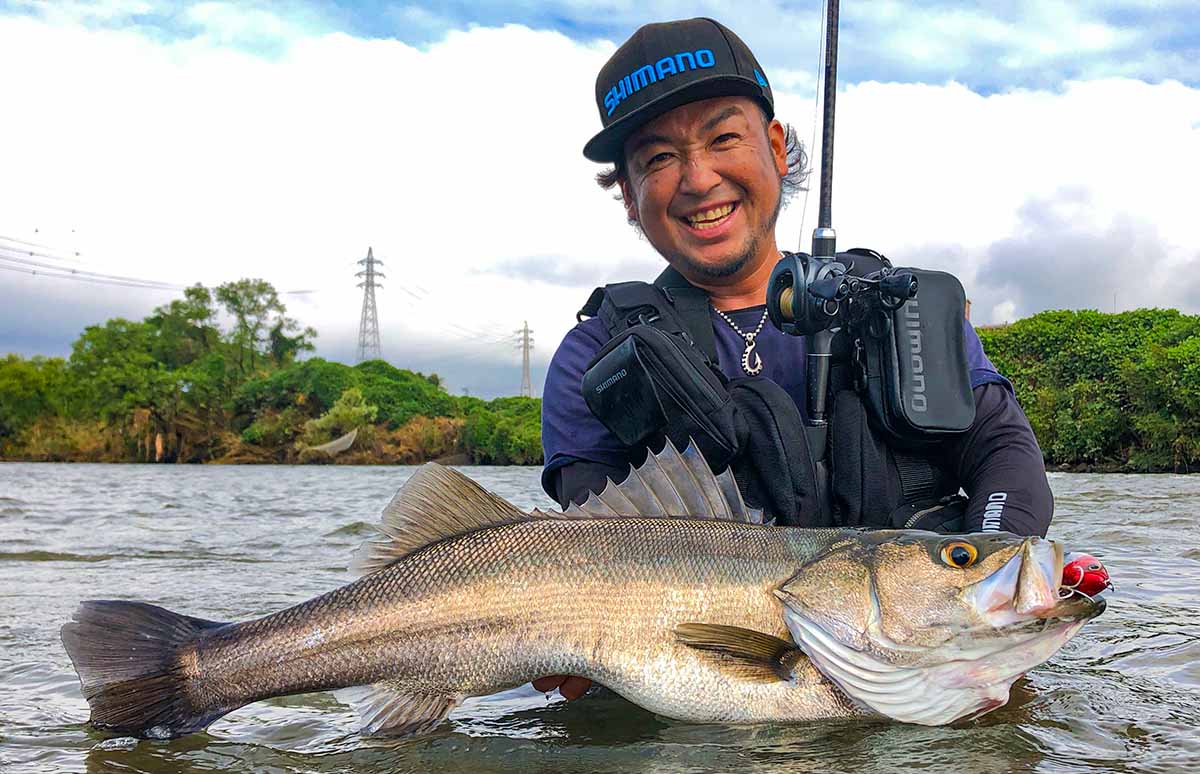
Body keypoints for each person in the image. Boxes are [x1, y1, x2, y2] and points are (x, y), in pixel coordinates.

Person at [534, 18, 1053, 701]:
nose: (697, 178)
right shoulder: (594, 358)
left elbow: (1006, 454)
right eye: (657, 158)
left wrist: (987, 575)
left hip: (921, 663)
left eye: (724, 138)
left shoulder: (899, 310)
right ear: (628, 194)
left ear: (776, 148)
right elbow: (587, 549)